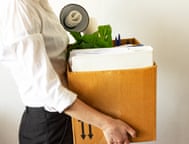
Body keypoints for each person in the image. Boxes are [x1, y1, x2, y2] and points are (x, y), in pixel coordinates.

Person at [0, 0, 136, 144]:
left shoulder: (38, 3)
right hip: (48, 126)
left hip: (64, 115)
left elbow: (56, 57)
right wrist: (106, 124)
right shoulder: (17, 6)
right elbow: (48, 90)